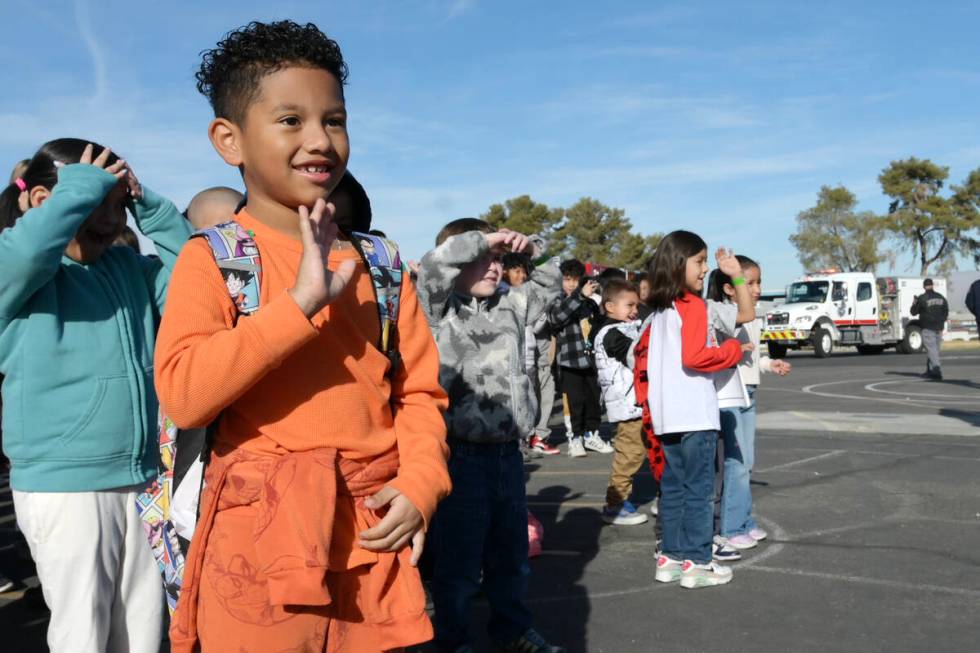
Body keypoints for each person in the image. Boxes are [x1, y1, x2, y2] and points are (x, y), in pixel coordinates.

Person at [154, 21, 450, 652]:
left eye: (334, 120)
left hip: (373, 532)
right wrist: (299, 305)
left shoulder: (382, 264)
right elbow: (185, 394)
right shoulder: (213, 259)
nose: (319, 139)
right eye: (290, 120)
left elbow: (419, 393)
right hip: (259, 546)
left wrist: (423, 483)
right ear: (228, 139)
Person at [0, 139, 190, 651]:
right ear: (45, 202)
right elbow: (25, 251)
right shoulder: (16, 274)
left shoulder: (129, 270)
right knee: (83, 633)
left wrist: (151, 207)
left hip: (141, 480)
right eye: (94, 205)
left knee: (143, 630)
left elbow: (196, 275)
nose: (110, 220)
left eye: (117, 206)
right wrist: (80, 188)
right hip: (64, 485)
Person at [417, 218, 564, 653]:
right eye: (480, 260)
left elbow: (550, 287)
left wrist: (528, 248)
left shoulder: (512, 306)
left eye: (498, 260)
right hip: (459, 456)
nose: (493, 267)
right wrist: (483, 240)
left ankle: (512, 629)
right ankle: (453, 639)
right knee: (459, 563)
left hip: (508, 454)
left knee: (511, 557)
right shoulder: (437, 308)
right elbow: (431, 268)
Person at [644, 231, 752, 589]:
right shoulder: (692, 305)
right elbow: (697, 357)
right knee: (700, 491)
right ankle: (699, 562)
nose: (705, 269)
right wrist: (734, 351)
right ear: (679, 264)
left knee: (673, 490)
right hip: (694, 413)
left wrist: (734, 274)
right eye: (699, 261)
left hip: (667, 416)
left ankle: (671, 558)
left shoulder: (660, 308)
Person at [705, 255, 791, 560]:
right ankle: (729, 528)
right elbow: (720, 354)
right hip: (731, 396)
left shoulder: (754, 316)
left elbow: (753, 358)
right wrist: (734, 350)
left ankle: (743, 519)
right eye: (749, 282)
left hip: (750, 392)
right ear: (730, 288)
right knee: (735, 465)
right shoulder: (729, 315)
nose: (756, 288)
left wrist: (769, 364)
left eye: (758, 282)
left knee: (747, 462)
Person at [593, 279, 649, 526]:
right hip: (627, 407)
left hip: (636, 403)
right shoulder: (610, 333)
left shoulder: (626, 327)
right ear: (610, 306)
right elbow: (634, 355)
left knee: (643, 451)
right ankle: (615, 505)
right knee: (630, 454)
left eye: (636, 305)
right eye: (629, 305)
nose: (635, 310)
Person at [550, 259, 613, 457]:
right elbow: (557, 318)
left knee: (594, 402)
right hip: (570, 361)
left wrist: (595, 299)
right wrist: (579, 295)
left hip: (591, 360)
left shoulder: (590, 301)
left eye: (575, 280)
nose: (570, 284)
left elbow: (599, 324)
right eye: (567, 279)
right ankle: (575, 438)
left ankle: (591, 435)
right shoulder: (558, 300)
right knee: (574, 403)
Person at [911, 278, 949, 381]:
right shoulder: (941, 297)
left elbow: (913, 312)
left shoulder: (922, 298)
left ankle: (937, 372)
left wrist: (914, 303)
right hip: (939, 328)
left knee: (932, 351)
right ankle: (930, 371)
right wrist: (942, 321)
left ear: (924, 286)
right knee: (934, 351)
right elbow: (946, 311)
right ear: (933, 285)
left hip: (928, 327)